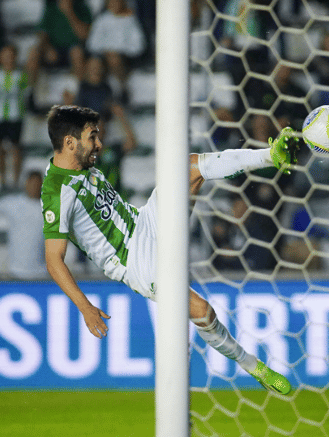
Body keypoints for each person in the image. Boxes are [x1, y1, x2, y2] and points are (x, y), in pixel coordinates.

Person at [41, 105, 297, 393]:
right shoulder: (55, 191)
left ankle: (270, 155)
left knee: (190, 167)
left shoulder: (83, 165)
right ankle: (252, 365)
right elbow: (53, 259)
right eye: (92, 137)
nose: (99, 144)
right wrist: (84, 307)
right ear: (69, 142)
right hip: (135, 261)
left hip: (143, 220)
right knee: (202, 311)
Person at [0, 169, 47, 279]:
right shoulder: (13, 203)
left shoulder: (49, 208)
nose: (35, 187)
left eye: (38, 184)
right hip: (15, 272)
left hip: (41, 273)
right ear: (26, 183)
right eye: (32, 183)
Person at [26, 0, 91, 84]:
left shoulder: (83, 8)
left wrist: (69, 13)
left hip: (74, 49)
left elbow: (84, 36)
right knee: (33, 53)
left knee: (77, 53)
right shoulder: (50, 9)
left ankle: (79, 92)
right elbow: (42, 34)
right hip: (54, 50)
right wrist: (48, 48)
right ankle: (29, 92)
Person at [0, 43, 29, 188]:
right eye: (5, 56)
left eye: (11, 56)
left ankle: (15, 181)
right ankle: (2, 180)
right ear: (0, 58)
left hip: (16, 116)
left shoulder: (21, 76)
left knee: (15, 148)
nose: (8, 59)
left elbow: (28, 96)